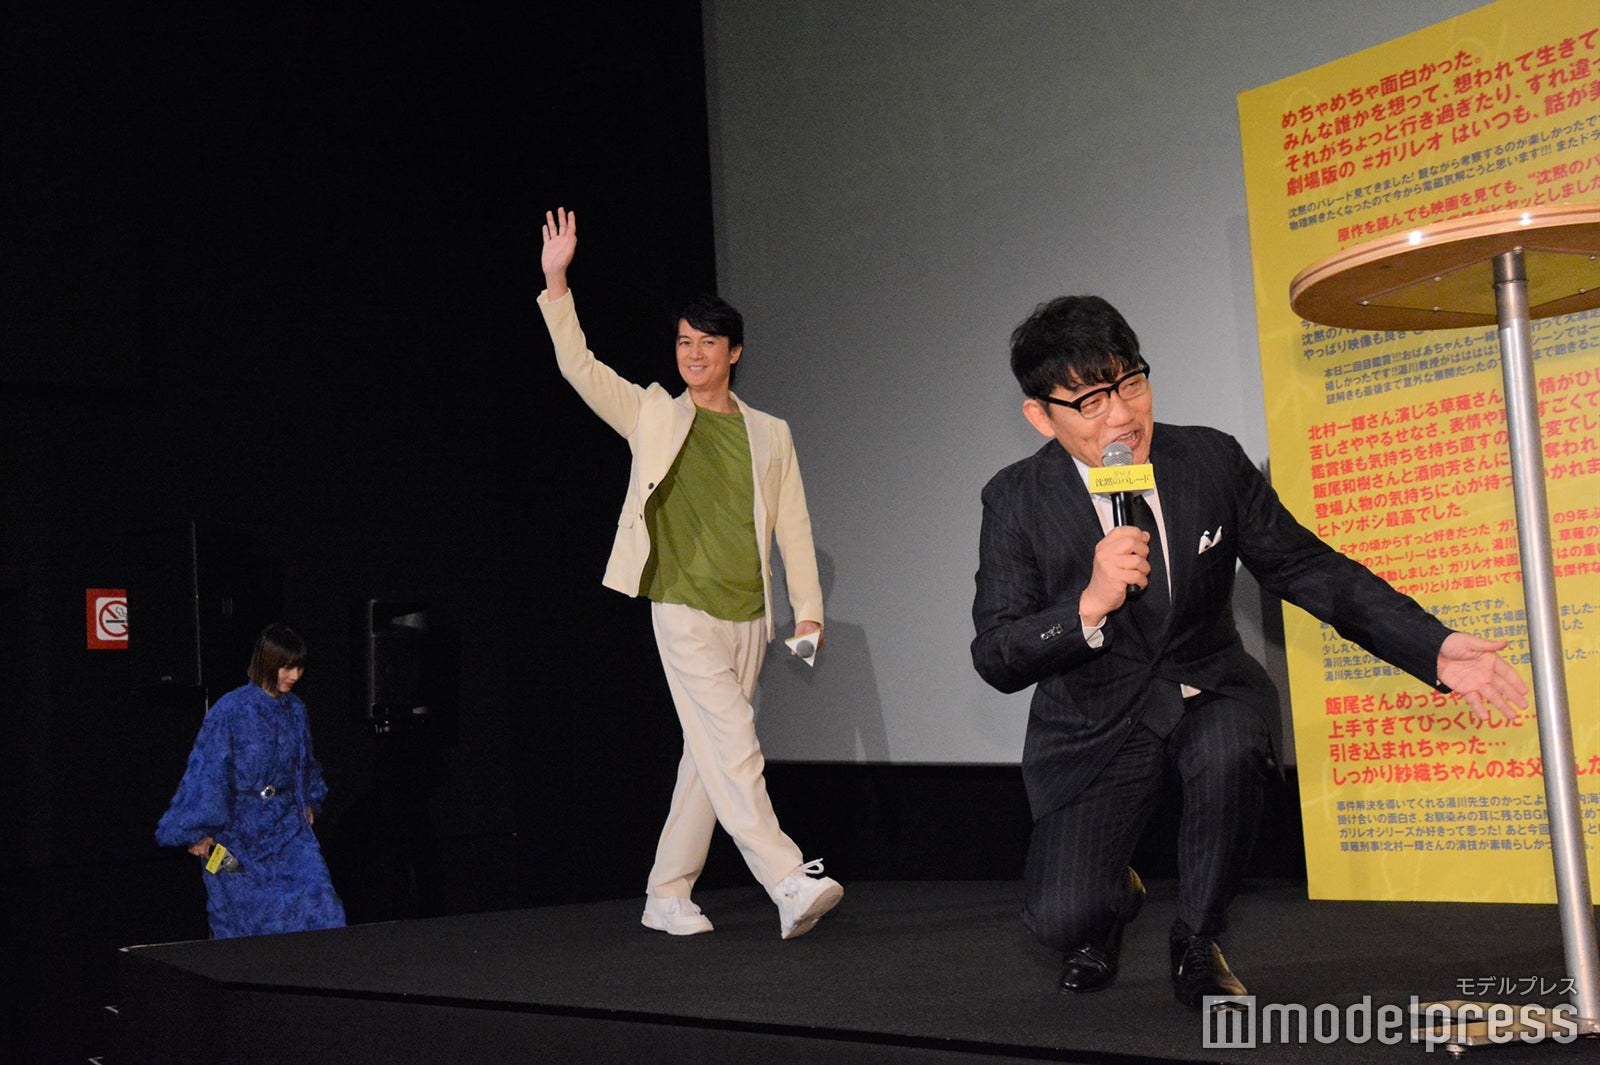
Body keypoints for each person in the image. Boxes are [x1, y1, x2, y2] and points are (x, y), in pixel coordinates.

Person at [970, 295, 1528, 1008]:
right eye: (1090, 401)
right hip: (1096, 718)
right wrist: (1087, 604)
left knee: (1230, 748)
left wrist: (1433, 648)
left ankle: (1197, 937)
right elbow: (997, 652)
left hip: (1209, 687)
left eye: (1130, 382)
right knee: (1061, 919)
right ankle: (1113, 896)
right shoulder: (1015, 499)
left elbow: (1304, 566)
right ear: (1041, 415)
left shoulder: (1208, 459)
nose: (1121, 416)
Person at [536, 207, 843, 940]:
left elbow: (793, 524)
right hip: (681, 607)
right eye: (683, 341)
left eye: (707, 342)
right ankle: (785, 878)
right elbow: (579, 367)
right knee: (735, 745)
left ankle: (666, 892)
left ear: (733, 352)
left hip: (749, 614)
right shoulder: (652, 412)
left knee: (708, 758)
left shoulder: (770, 432)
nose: (693, 353)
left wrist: (807, 610)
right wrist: (557, 282)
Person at [156, 624, 346, 939]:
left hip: (288, 832)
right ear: (267, 662)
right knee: (246, 927)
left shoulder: (296, 710)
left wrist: (310, 800)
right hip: (237, 836)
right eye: (286, 667)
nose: (295, 676)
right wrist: (196, 832)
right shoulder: (230, 710)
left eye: (299, 667)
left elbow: (306, 764)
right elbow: (207, 769)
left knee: (322, 908)